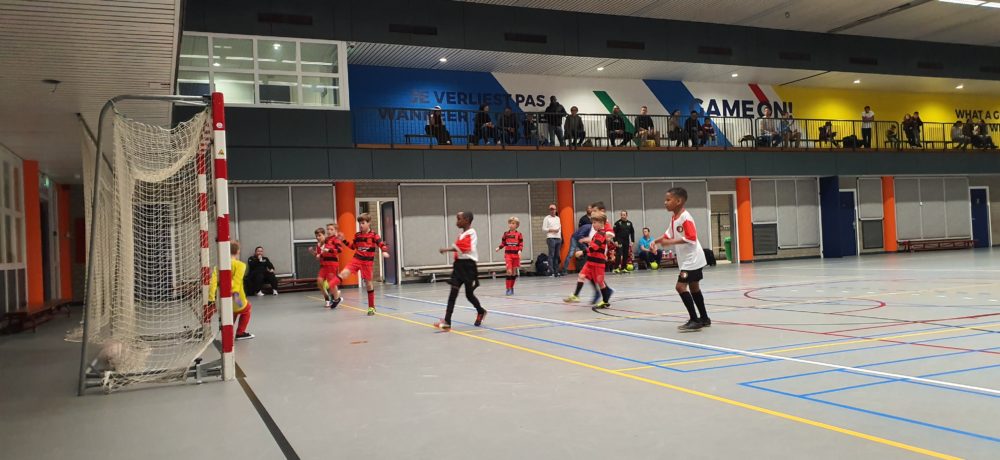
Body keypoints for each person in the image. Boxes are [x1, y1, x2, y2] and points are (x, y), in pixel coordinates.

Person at [653, 187, 710, 332]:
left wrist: (670, 242)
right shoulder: (674, 217)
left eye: (668, 200)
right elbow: (668, 235)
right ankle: (704, 318)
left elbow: (691, 238)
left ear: (678, 201)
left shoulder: (685, 217)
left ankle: (694, 319)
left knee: (680, 287)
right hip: (688, 260)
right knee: (694, 287)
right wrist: (655, 242)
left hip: (692, 260)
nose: (665, 202)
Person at [434, 211, 487, 330]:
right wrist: (450, 250)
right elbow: (459, 247)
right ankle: (447, 321)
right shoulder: (461, 234)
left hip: (468, 267)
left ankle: (481, 311)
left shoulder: (472, 233)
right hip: (459, 266)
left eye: (459, 219)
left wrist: (447, 249)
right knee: (453, 293)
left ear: (467, 220)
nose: (457, 222)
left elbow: (465, 247)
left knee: (469, 295)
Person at [338, 213, 391, 316]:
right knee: (344, 273)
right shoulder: (357, 235)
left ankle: (371, 307)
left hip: (367, 263)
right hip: (357, 259)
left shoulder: (374, 235)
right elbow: (353, 247)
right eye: (360, 223)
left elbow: (381, 244)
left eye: (363, 223)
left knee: (368, 284)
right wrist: (343, 240)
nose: (361, 225)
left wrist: (384, 251)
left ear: (369, 223)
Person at [563, 212, 613, 308]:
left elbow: (594, 247)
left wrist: (582, 252)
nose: (593, 225)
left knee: (600, 282)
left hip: (598, 263)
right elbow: (593, 243)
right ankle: (576, 295)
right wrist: (587, 240)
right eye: (592, 222)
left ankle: (605, 301)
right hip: (590, 261)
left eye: (595, 222)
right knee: (581, 275)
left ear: (602, 223)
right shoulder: (597, 234)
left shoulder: (602, 233)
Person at [209, 241, 254, 340]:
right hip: (236, 296)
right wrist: (236, 298)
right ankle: (240, 333)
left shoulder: (218, 266)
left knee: (230, 312)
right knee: (246, 309)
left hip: (222, 300)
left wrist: (211, 299)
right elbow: (236, 282)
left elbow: (212, 283)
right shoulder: (240, 265)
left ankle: (226, 330)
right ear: (238, 251)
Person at [309, 226, 342, 308]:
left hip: (331, 265)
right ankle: (328, 298)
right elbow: (318, 256)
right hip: (323, 266)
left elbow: (337, 250)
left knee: (331, 284)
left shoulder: (329, 242)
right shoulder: (318, 245)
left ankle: (336, 297)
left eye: (319, 235)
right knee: (319, 282)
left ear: (324, 235)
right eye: (316, 236)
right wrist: (312, 252)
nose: (318, 237)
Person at [562, 204, 593, 275]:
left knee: (588, 252)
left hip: (582, 238)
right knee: (570, 254)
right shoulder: (587, 226)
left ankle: (588, 269)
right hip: (575, 238)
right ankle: (564, 270)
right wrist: (585, 241)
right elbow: (580, 235)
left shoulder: (593, 227)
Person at [496, 217, 524, 295]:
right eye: (510, 223)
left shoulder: (519, 234)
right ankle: (508, 289)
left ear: (517, 225)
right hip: (508, 255)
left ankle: (511, 287)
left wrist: (519, 251)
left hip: (516, 256)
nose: (511, 225)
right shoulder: (506, 234)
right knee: (509, 271)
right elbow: (503, 243)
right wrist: (499, 247)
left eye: (513, 223)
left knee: (514, 273)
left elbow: (521, 244)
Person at [542, 204, 563, 276]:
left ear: (555, 210)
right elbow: (544, 229)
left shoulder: (558, 218)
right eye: (551, 209)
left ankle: (556, 271)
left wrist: (560, 237)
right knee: (551, 254)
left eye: (553, 209)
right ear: (549, 210)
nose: (552, 211)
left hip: (558, 238)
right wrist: (552, 230)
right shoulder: (546, 218)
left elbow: (559, 229)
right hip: (550, 238)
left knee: (557, 255)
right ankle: (551, 271)